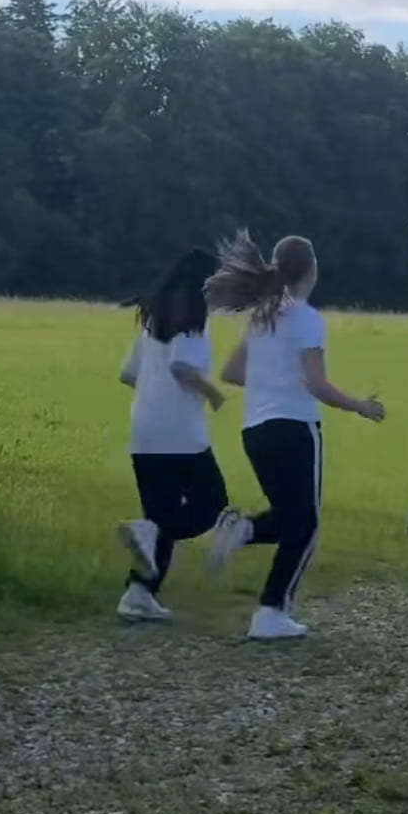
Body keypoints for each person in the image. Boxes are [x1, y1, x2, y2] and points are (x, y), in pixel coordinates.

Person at [204, 230, 385, 641]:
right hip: (295, 430)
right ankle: (271, 612)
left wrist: (271, 381)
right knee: (305, 525)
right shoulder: (306, 318)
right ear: (311, 271)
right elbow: (317, 385)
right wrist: (360, 406)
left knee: (289, 518)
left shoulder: (262, 317)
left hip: (256, 432)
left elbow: (230, 372)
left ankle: (243, 530)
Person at [116, 247, 229, 622]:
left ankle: (138, 594)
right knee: (211, 505)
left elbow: (128, 374)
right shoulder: (193, 319)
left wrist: (156, 395)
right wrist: (213, 393)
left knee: (159, 513)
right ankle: (149, 535)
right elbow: (182, 366)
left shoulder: (154, 318)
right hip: (180, 434)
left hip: (144, 429)